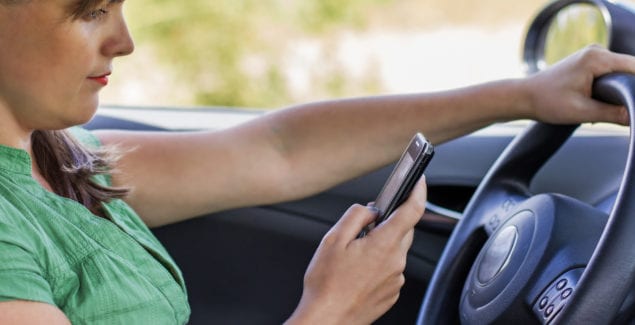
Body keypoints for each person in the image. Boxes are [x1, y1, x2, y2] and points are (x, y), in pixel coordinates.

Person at [1, 1, 634, 324]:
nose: (124, 40)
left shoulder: (51, 157)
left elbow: (277, 150)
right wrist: (331, 310)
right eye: (89, 12)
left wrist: (523, 96)